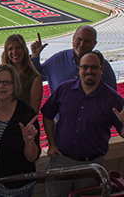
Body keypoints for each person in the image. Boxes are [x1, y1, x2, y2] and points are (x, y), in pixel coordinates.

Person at [42, 50, 124, 197]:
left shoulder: (113, 99)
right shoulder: (64, 89)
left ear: (101, 69)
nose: (89, 71)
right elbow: (47, 114)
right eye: (85, 67)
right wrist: (52, 143)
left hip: (91, 168)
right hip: (61, 160)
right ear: (79, 69)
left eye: (94, 67)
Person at [0, 64, 41, 197]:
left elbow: (32, 157)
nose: (1, 86)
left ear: (15, 85)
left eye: (7, 82)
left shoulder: (26, 113)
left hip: (17, 188)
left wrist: (28, 141)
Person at [30, 25, 117, 93]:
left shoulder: (103, 66)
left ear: (94, 44)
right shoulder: (57, 60)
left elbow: (113, 97)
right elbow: (36, 76)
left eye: (87, 41)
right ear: (73, 39)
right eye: (79, 39)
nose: (82, 44)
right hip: (61, 116)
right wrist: (35, 56)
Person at [0, 34, 43, 113]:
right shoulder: (1, 74)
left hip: (21, 124)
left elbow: (33, 112)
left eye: (18, 47)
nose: (14, 52)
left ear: (24, 50)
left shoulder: (34, 78)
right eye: (10, 49)